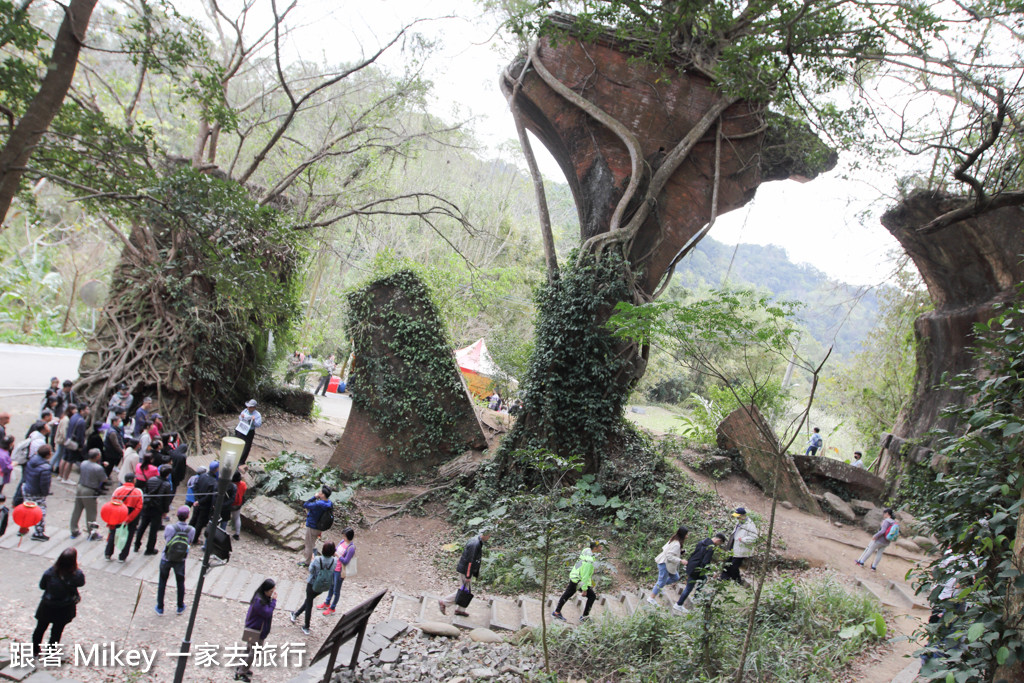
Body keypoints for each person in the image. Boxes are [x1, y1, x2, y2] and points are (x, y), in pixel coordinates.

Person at [32, 548, 85, 656]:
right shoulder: (77, 574)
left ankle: (35, 650)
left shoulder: (50, 572)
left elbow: (42, 586)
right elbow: (81, 583)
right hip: (64, 608)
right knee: (56, 632)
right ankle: (50, 653)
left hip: (47, 606)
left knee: (40, 628)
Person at [673, 532, 727, 614]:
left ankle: (696, 597)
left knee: (704, 579)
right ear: (718, 540)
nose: (718, 545)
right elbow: (705, 562)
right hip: (696, 569)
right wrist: (712, 572)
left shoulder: (702, 542)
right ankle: (679, 604)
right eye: (720, 543)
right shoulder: (710, 548)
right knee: (689, 588)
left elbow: (694, 554)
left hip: (691, 565)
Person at [439, 531, 490, 616]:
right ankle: (444, 602)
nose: (489, 538)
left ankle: (460, 609)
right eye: (489, 536)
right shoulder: (475, 544)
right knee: (465, 591)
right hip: (465, 570)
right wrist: (468, 575)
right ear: (485, 535)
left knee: (466, 590)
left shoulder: (476, 541)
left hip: (464, 569)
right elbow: (470, 561)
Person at [156, 506, 196, 616]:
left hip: (166, 557)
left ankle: (160, 607)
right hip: (180, 559)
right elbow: (190, 541)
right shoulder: (191, 530)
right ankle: (180, 606)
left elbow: (166, 538)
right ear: (188, 516)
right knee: (180, 582)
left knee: (162, 582)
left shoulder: (169, 528)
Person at [291, 541, 335, 635]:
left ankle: (306, 626)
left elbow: (311, 570)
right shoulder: (334, 561)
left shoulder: (317, 559)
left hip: (313, 584)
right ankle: (296, 614)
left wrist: (312, 560)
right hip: (324, 585)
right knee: (309, 600)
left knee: (309, 603)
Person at [236, 579, 277, 681]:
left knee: (249, 650)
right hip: (256, 631)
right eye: (271, 591)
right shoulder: (260, 601)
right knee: (254, 653)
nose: (272, 594)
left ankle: (242, 667)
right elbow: (267, 612)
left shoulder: (261, 597)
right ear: (265, 590)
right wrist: (274, 601)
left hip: (255, 629)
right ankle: (241, 672)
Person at [552, 541, 601, 622]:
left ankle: (557, 612)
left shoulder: (586, 551)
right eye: (599, 546)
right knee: (592, 596)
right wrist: (584, 589)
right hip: (579, 580)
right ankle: (585, 617)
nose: (601, 548)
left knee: (567, 594)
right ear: (595, 548)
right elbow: (585, 576)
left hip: (574, 576)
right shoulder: (589, 562)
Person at [70, 449, 107, 540]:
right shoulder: (98, 468)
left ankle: (73, 529)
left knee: (77, 509)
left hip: (80, 487)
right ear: (97, 456)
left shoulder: (84, 463)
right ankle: (92, 532)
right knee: (91, 512)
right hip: (90, 490)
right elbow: (104, 479)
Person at [105, 472, 143, 562]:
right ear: (134, 480)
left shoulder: (118, 490)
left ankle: (108, 553)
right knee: (128, 536)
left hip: (118, 514)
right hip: (131, 516)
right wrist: (129, 518)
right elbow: (139, 507)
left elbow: (112, 503)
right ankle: (122, 556)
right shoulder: (138, 492)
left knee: (113, 533)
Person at [136, 464, 174, 555]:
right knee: (153, 530)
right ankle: (149, 548)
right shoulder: (167, 485)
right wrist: (165, 511)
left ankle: (136, 544)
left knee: (142, 526)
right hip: (157, 509)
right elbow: (166, 500)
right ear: (167, 474)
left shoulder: (151, 479)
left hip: (147, 505)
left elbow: (146, 491)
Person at [647, 526, 688, 604]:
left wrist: (680, 552)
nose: (687, 536)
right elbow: (669, 556)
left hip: (666, 563)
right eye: (686, 534)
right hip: (664, 563)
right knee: (661, 581)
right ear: (683, 535)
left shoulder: (674, 539)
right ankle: (651, 598)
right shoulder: (676, 544)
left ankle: (659, 588)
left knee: (675, 577)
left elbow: (668, 550)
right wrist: (680, 560)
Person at [320, 527, 355, 615]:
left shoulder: (351, 548)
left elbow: (346, 561)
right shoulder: (342, 542)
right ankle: (327, 602)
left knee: (336, 590)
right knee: (331, 586)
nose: (343, 537)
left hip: (340, 571)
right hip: (334, 567)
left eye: (344, 536)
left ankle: (333, 607)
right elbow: (336, 549)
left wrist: (337, 555)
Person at [22, 444, 53, 541]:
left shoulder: (32, 460)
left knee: (26, 510)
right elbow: (44, 484)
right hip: (37, 493)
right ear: (48, 455)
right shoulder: (45, 468)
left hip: (28, 488)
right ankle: (38, 533)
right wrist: (45, 493)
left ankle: (22, 528)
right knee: (40, 512)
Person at [722, 507, 758, 583]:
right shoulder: (739, 523)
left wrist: (743, 539)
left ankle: (737, 581)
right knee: (727, 563)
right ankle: (724, 578)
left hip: (741, 549)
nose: (737, 518)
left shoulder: (750, 525)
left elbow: (754, 537)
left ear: (743, 516)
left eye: (738, 516)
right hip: (734, 547)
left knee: (734, 566)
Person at [189, 461, 221, 544]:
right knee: (199, 522)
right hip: (204, 505)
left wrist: (197, 500)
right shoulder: (214, 482)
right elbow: (209, 496)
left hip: (197, 502)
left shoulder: (202, 476)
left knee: (193, 519)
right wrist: (200, 501)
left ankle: (187, 535)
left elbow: (195, 487)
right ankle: (194, 539)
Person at [300, 487, 333, 566]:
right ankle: (312, 555)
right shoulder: (329, 503)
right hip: (320, 526)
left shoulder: (319, 504)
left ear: (323, 495)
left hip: (312, 526)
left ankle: (307, 562)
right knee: (313, 542)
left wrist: (314, 497)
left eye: (320, 492)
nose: (318, 493)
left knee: (308, 544)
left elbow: (306, 504)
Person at [59, 404, 89, 484]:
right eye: (86, 409)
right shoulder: (81, 421)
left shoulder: (73, 416)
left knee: (64, 458)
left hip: (68, 440)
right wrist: (81, 446)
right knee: (70, 461)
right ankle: (65, 478)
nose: (88, 411)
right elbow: (80, 436)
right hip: (74, 443)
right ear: (82, 410)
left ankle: (60, 475)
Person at [234, 400, 263, 466]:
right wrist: (242, 417)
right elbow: (240, 417)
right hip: (241, 429)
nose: (248, 408)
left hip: (249, 431)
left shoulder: (257, 415)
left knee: (246, 447)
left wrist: (254, 420)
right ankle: (235, 458)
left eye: (250, 407)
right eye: (248, 407)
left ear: (254, 407)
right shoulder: (245, 411)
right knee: (237, 443)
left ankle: (241, 461)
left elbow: (258, 424)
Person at [50, 404, 75, 474]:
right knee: (58, 453)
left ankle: (57, 467)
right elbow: (63, 431)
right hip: (62, 440)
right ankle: (51, 465)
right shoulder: (66, 419)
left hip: (62, 439)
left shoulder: (66, 418)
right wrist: (66, 440)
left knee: (60, 453)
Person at [226, 470, 247, 540]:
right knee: (237, 518)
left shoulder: (229, 485)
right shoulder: (243, 484)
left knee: (225, 518)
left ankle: (222, 530)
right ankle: (237, 534)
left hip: (228, 503)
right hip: (238, 503)